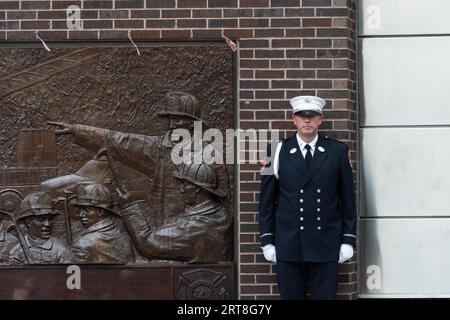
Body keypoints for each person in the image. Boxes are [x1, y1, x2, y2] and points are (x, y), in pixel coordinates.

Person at [48, 91, 230, 228]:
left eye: (179, 120)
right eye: (170, 119)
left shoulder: (211, 155)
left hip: (197, 230)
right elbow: (119, 140)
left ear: (192, 123)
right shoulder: (159, 148)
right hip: (161, 225)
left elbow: (224, 201)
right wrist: (77, 130)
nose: (173, 125)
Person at [258, 95, 356, 299]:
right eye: (302, 116)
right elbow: (266, 201)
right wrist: (267, 240)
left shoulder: (337, 151)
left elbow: (348, 200)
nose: (307, 120)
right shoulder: (275, 151)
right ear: (294, 119)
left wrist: (348, 240)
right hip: (289, 243)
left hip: (326, 242)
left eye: (312, 116)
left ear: (321, 119)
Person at [116, 161, 232, 262]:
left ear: (197, 188)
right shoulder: (221, 215)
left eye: (185, 185)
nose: (181, 190)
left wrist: (128, 207)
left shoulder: (196, 227)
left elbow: (148, 243)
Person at [70, 183, 135, 264]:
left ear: (100, 212)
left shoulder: (83, 244)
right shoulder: (125, 237)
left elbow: (78, 275)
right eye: (81, 210)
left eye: (86, 210)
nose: (81, 214)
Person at [9, 192, 73, 264]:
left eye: (50, 219)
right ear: (28, 222)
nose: (47, 224)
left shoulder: (62, 251)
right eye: (41, 219)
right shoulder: (16, 252)